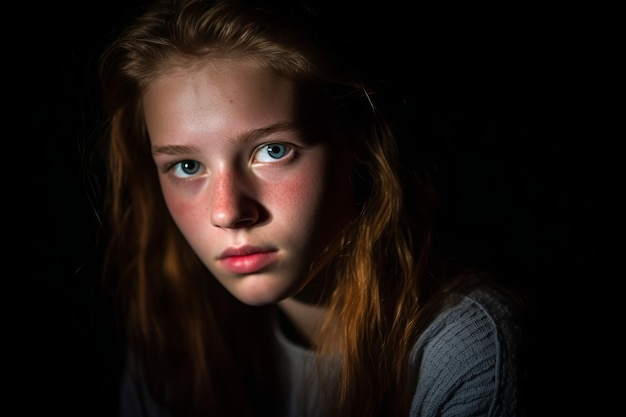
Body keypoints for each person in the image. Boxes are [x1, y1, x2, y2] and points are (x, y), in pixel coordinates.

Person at [94, 0, 528, 415]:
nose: (227, 213)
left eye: (273, 150)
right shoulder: (174, 344)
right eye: (187, 166)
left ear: (355, 143)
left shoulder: (468, 350)